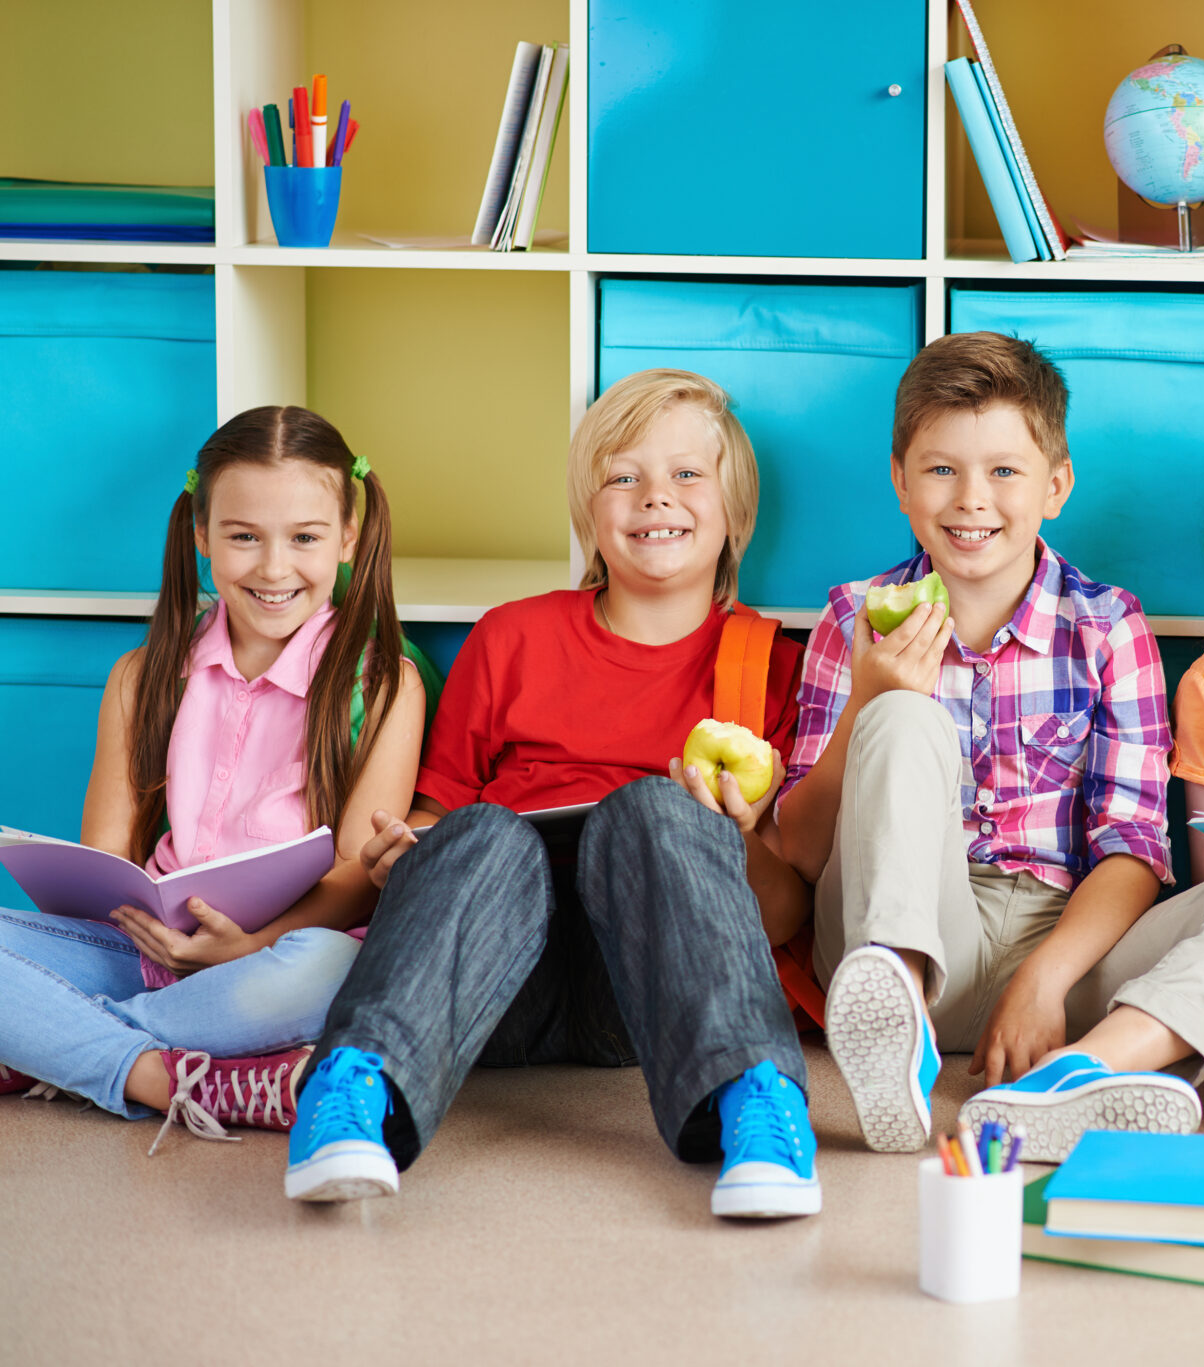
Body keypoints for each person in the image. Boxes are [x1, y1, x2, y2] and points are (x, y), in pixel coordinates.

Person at [778, 332, 1204, 1162]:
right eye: (942, 470)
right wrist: (869, 697)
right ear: (900, 480)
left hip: (1068, 951)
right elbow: (802, 850)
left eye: (1004, 470)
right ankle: (895, 1030)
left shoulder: (1110, 627)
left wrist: (1045, 979)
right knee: (904, 718)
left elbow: (1134, 846)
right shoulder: (854, 616)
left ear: (1056, 485)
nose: (973, 499)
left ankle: (1069, 1079)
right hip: (900, 926)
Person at [284, 370, 821, 1218]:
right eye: (623, 475)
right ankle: (352, 1088)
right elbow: (438, 811)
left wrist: (728, 834)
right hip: (492, 974)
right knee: (486, 831)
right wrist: (410, 852)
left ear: (733, 510)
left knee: (654, 808)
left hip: (646, 993)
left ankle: (758, 1098)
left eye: (687, 475)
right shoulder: (513, 635)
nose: (656, 498)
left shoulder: (771, 667)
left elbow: (786, 918)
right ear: (589, 509)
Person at [0, 406, 426, 1153]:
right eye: (242, 536)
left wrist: (245, 944)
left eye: (305, 537)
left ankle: (51, 1045)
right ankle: (167, 1075)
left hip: (276, 956)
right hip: (136, 950)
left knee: (331, 972)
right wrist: (135, 918)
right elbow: (107, 857)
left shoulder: (387, 682)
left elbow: (358, 875)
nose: (272, 567)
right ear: (201, 536)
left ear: (348, 537)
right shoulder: (143, 675)